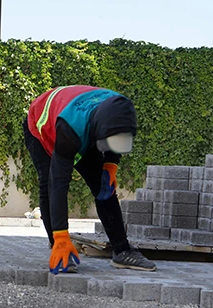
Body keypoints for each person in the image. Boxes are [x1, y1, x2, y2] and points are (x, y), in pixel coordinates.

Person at [23, 85, 157, 274]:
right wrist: (62, 235)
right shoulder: (70, 130)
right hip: (41, 123)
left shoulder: (120, 109)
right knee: (48, 182)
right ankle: (59, 247)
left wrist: (110, 166)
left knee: (103, 184)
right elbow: (58, 184)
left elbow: (116, 138)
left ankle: (122, 250)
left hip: (87, 120)